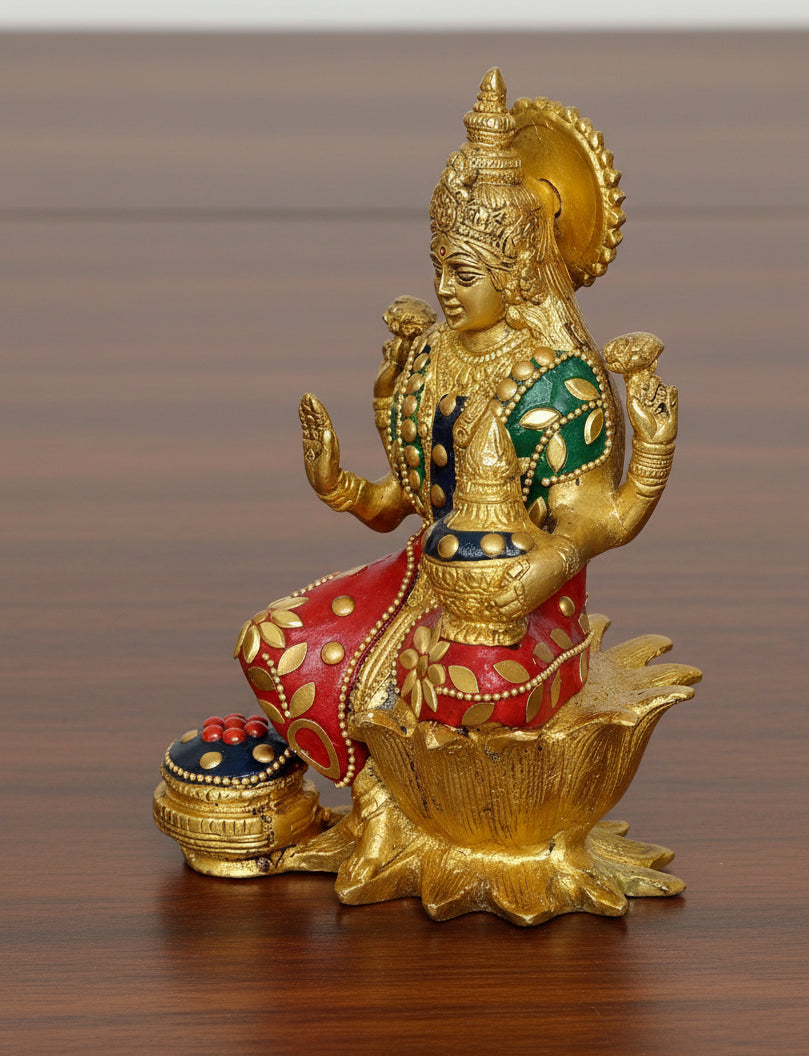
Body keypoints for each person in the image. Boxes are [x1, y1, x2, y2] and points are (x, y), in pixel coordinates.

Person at [235, 69, 678, 789]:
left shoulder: (558, 383)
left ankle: (414, 806)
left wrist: (528, 577)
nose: (444, 289)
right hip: (428, 575)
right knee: (269, 642)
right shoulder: (433, 355)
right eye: (439, 267)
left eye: (464, 273)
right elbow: (401, 505)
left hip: (526, 604)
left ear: (516, 273)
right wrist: (340, 486)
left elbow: (598, 525)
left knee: (446, 685)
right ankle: (384, 802)